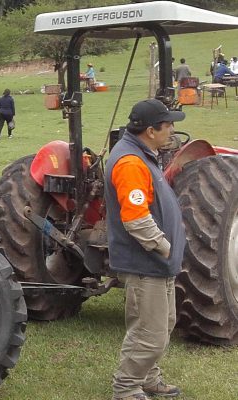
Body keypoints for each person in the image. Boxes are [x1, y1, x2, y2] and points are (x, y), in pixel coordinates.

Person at [106, 99, 186, 400]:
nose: (172, 130)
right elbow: (136, 220)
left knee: (162, 326)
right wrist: (165, 247)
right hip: (146, 262)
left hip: (158, 263)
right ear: (151, 130)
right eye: (168, 125)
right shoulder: (130, 163)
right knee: (148, 334)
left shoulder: (143, 154)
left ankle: (149, 379)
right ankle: (126, 387)